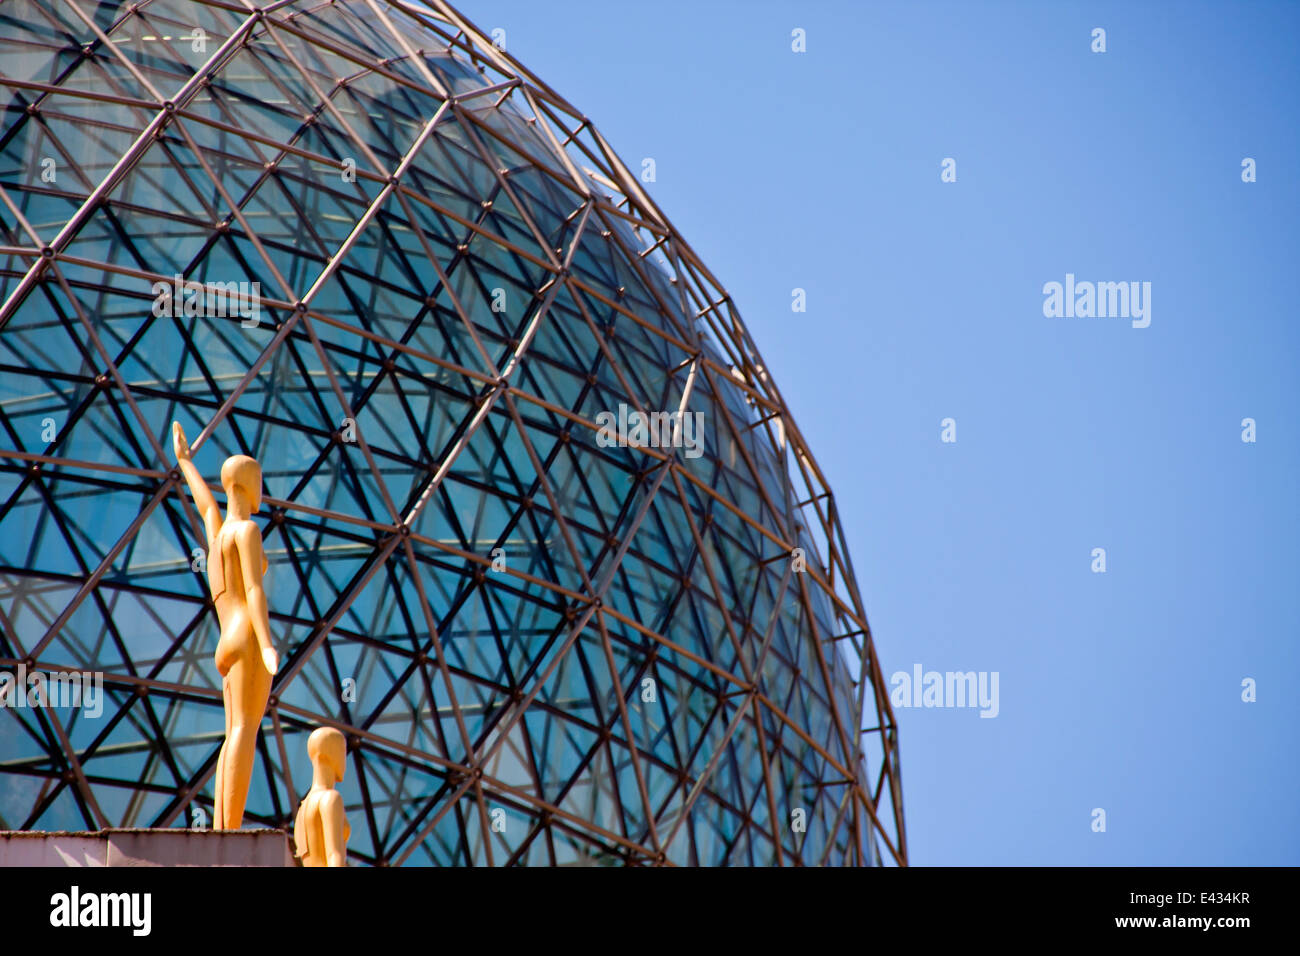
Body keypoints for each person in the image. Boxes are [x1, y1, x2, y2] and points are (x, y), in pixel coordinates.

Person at [172, 421, 278, 830]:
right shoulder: (248, 531)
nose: (262, 490)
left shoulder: (218, 536)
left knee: (233, 732)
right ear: (245, 485)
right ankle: (229, 830)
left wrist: (184, 462)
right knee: (245, 732)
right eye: (259, 481)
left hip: (225, 638)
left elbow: (205, 507)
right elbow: (254, 589)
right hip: (248, 637)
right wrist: (267, 645)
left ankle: (221, 827)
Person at [294, 727, 350, 867]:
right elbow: (334, 854)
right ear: (332, 753)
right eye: (343, 751)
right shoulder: (330, 799)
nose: (345, 760)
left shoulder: (303, 809)